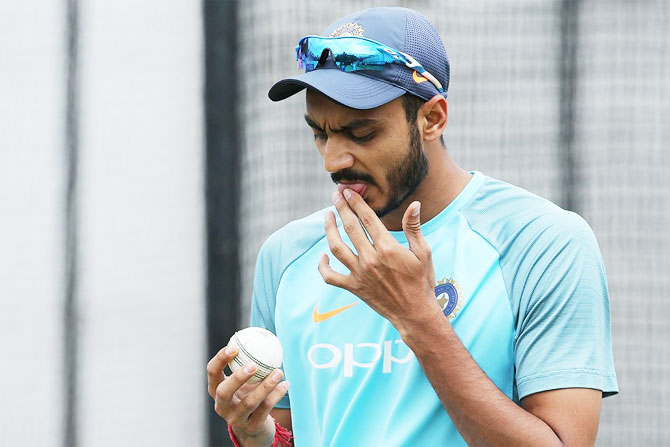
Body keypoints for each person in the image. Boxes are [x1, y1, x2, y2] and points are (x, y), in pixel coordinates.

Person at [207, 6, 618, 447]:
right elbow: (292, 435)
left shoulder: (543, 243)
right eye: (321, 133)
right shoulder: (287, 255)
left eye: (361, 133)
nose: (333, 161)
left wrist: (417, 317)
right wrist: (256, 434)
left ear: (433, 118)